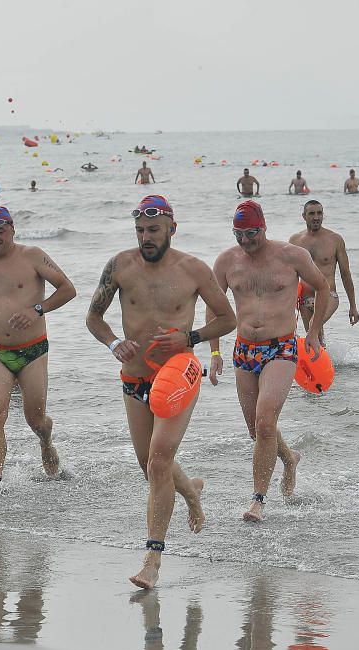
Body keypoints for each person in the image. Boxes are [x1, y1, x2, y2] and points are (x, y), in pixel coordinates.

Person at [85, 194, 237, 589]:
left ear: (172, 226)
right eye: (140, 231)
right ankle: (191, 492)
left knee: (158, 462)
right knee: (150, 466)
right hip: (135, 379)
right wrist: (113, 342)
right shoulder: (119, 266)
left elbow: (227, 318)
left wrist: (190, 336)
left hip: (179, 373)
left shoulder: (194, 270)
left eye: (153, 230)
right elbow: (93, 316)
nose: (146, 237)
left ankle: (153, 558)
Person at [208, 200, 330, 522]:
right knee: (257, 430)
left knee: (265, 422)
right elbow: (214, 306)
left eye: (251, 233)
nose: (245, 241)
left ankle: (258, 501)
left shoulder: (292, 256)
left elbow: (322, 286)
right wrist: (215, 352)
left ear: (263, 228)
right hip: (244, 351)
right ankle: (289, 459)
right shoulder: (225, 262)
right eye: (239, 234)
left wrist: (314, 333)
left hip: (281, 348)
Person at [0, 205, 77, 482]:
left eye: (0, 231)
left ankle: (46, 443)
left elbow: (68, 289)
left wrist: (37, 309)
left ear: (12, 231)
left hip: (33, 351)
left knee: (35, 421)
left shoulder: (33, 256)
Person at [288, 201, 359, 344]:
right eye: (312, 213)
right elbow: (289, 275)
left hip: (328, 295)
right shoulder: (295, 240)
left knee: (314, 324)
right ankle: (326, 362)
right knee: (316, 339)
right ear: (304, 216)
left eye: (319, 213)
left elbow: (345, 274)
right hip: (304, 299)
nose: (316, 217)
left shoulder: (335, 240)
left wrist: (353, 305)